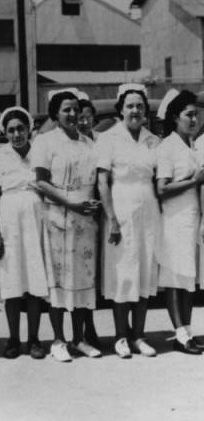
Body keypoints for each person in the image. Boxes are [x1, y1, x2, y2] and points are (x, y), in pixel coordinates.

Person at [33, 89, 101, 362]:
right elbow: (40, 181)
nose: (73, 115)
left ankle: (80, 339)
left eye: (75, 109)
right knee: (59, 282)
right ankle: (59, 340)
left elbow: (95, 181)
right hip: (59, 216)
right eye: (66, 110)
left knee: (82, 280)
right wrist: (71, 203)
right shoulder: (45, 142)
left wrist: (91, 205)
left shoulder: (89, 143)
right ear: (55, 115)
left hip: (85, 220)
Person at [96, 83, 159, 359]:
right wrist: (111, 220)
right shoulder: (108, 139)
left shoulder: (153, 140)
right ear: (120, 110)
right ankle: (121, 335)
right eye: (130, 106)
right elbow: (101, 182)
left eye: (140, 106)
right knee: (122, 273)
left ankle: (139, 335)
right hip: (120, 211)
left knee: (144, 271)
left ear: (145, 111)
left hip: (148, 212)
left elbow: (159, 180)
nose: (135, 110)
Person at [0, 106, 49, 359]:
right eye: (11, 130)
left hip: (36, 222)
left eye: (20, 129)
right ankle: (13, 338)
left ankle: (34, 338)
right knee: (12, 283)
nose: (16, 135)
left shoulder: (40, 152)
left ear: (29, 130)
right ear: (5, 132)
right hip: (8, 224)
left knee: (34, 282)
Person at [156, 89, 204, 354]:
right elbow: (161, 189)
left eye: (196, 114)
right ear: (175, 118)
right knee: (175, 278)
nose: (194, 119)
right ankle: (180, 333)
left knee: (187, 280)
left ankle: (186, 332)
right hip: (174, 220)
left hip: (191, 219)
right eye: (189, 115)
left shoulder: (193, 145)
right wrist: (193, 182)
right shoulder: (168, 148)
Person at [76, 94, 101, 349]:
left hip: (104, 212)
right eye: (79, 117)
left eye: (87, 117)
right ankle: (86, 327)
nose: (83, 122)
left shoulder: (102, 142)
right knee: (84, 273)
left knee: (102, 274)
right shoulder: (76, 145)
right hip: (83, 213)